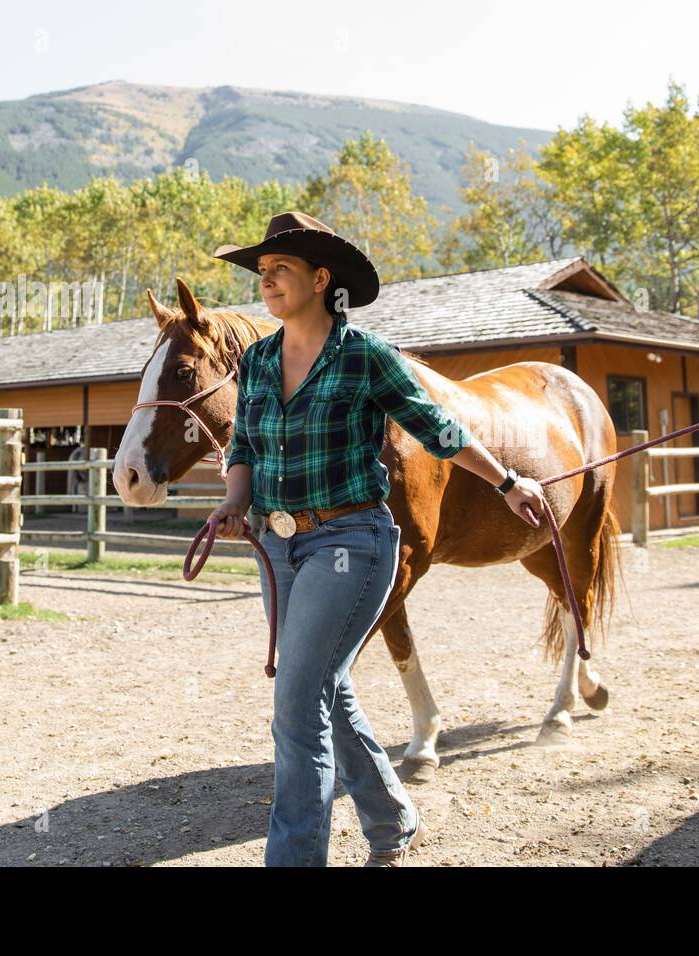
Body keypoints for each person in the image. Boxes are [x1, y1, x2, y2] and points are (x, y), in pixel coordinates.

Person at [208, 211, 549, 867]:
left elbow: (436, 427)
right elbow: (245, 444)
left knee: (296, 704)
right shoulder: (256, 361)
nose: (267, 281)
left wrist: (507, 481)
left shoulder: (366, 355)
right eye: (262, 271)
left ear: (320, 277)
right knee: (326, 690)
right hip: (277, 546)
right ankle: (393, 821)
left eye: (280, 269)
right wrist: (232, 502)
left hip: (350, 543)